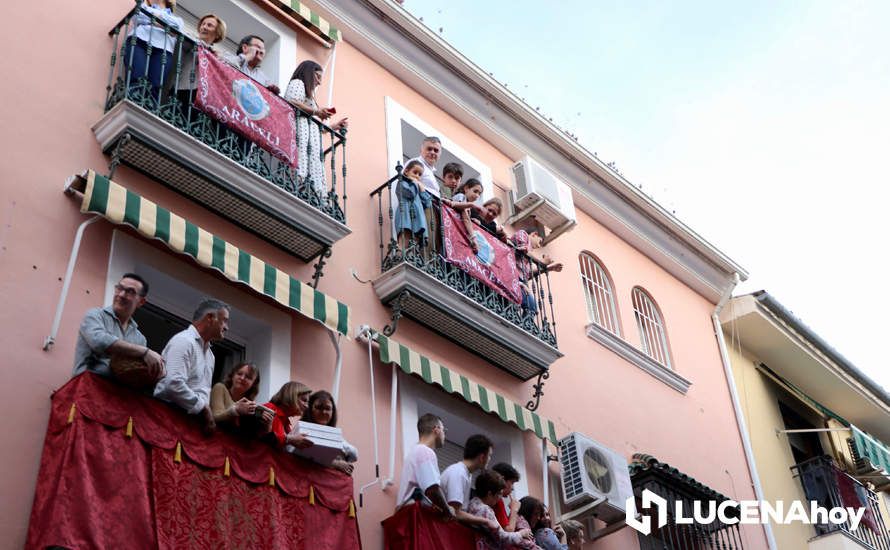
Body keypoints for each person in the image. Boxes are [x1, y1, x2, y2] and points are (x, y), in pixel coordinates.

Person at [153, 299, 229, 431]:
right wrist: (204, 408)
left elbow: (202, 393)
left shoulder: (210, 355)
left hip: (188, 425)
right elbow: (173, 384)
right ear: (210, 317)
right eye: (224, 320)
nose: (226, 327)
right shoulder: (184, 341)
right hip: (166, 419)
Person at [72, 273, 164, 381]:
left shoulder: (139, 339)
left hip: (115, 395)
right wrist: (144, 352)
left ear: (141, 301)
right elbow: (99, 341)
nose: (121, 294)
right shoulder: (95, 315)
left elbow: (136, 372)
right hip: (85, 389)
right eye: (119, 288)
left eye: (130, 292)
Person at [284, 61, 348, 197]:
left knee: (311, 166)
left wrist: (333, 127)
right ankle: (300, 183)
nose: (319, 82)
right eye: (318, 76)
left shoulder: (309, 96)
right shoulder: (298, 83)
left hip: (309, 142)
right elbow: (292, 100)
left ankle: (311, 190)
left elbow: (313, 126)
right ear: (308, 72)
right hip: (300, 137)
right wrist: (316, 112)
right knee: (301, 163)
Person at [395, 413, 455, 521]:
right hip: (415, 518)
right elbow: (432, 489)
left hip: (406, 516)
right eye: (443, 430)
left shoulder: (415, 451)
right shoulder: (425, 451)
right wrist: (447, 510)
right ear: (436, 429)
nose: (444, 435)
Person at [124, 0, 184, 101]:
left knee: (155, 85)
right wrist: (165, 25)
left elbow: (177, 28)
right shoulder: (143, 5)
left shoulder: (178, 20)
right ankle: (133, 102)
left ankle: (147, 110)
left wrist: (154, 16)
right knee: (136, 76)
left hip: (164, 50)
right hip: (139, 41)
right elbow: (137, 16)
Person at [466, 470, 536, 549]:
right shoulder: (485, 510)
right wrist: (521, 533)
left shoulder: (473, 503)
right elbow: (503, 537)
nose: (500, 497)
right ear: (489, 494)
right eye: (499, 493)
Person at [440, 434, 495, 529]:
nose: (490, 459)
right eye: (489, 455)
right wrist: (486, 521)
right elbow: (455, 512)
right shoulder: (459, 473)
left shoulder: (465, 473)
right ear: (482, 457)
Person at [173, 14, 227, 108]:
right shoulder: (191, 39)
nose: (204, 27)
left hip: (203, 94)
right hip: (183, 87)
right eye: (203, 24)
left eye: (209, 25)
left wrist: (216, 55)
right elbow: (182, 42)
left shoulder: (217, 54)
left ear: (217, 33)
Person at [301, 390, 358, 475]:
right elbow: (301, 456)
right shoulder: (301, 430)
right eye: (319, 407)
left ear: (332, 412)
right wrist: (335, 463)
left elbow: (354, 454)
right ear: (310, 409)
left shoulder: (335, 434)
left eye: (327, 408)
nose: (323, 412)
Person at [209, 362, 273, 433]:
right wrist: (235, 410)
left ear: (253, 384)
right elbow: (214, 418)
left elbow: (254, 434)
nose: (242, 378)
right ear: (233, 375)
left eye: (248, 377)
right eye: (239, 374)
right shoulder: (220, 388)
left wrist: (267, 426)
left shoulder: (250, 404)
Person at [262, 381, 314, 449]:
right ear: (291, 396)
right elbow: (263, 438)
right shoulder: (270, 408)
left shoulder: (286, 423)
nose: (307, 406)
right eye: (304, 400)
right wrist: (289, 439)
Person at [394, 160, 432, 250]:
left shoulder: (417, 187)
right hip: (406, 212)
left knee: (415, 240)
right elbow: (410, 194)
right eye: (415, 172)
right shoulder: (402, 182)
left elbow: (427, 203)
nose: (417, 176)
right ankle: (401, 255)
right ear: (406, 172)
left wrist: (422, 189)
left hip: (417, 217)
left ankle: (411, 257)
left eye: (419, 175)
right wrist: (415, 183)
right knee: (405, 236)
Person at [444, 178, 485, 253]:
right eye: (475, 191)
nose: (477, 195)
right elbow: (464, 217)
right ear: (466, 188)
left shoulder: (467, 205)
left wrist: (472, 220)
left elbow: (465, 218)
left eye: (479, 194)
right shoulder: (461, 196)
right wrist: (473, 238)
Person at [491, 462, 521, 530]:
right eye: (512, 482)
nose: (512, 488)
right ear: (503, 480)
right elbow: (508, 531)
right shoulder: (497, 501)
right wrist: (514, 510)